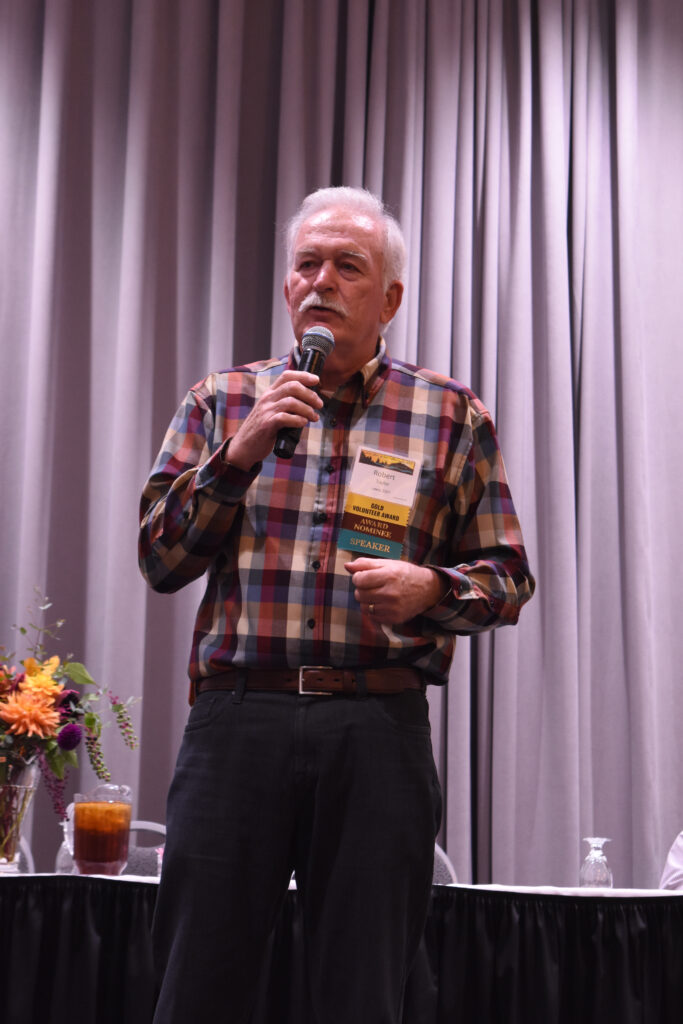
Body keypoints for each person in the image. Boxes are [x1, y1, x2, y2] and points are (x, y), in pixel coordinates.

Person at [138, 186, 535, 1023]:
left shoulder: (449, 413)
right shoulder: (222, 401)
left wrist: (435, 589)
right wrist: (238, 453)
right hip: (237, 722)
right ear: (287, 289)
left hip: (376, 729)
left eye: (346, 266)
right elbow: (160, 558)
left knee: (364, 991)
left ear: (388, 297)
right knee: (198, 985)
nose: (320, 282)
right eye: (305, 265)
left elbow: (506, 576)